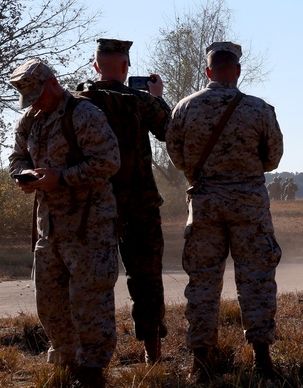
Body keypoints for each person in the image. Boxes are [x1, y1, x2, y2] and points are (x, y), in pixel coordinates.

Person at [166, 42, 284, 381]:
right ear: (237, 71)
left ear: (208, 72)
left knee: (203, 283)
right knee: (257, 281)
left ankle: (201, 363)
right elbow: (273, 158)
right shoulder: (259, 109)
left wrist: (204, 176)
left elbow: (177, 156)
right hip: (249, 204)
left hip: (204, 205)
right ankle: (262, 361)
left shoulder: (185, 108)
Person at [8, 59, 120, 388]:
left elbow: (108, 162)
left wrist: (62, 178)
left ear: (53, 84)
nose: (34, 105)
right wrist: (22, 176)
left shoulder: (84, 116)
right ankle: (67, 364)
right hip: (50, 228)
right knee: (50, 303)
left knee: (90, 302)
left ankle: (92, 371)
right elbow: (16, 158)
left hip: (89, 227)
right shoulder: (30, 120)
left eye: (38, 96)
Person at [76, 38, 171, 363]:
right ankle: (152, 355)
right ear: (126, 67)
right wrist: (157, 98)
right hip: (140, 205)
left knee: (91, 280)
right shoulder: (141, 101)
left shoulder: (79, 101)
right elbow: (170, 130)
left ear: (96, 66)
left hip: (93, 206)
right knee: (146, 278)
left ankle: (89, 358)